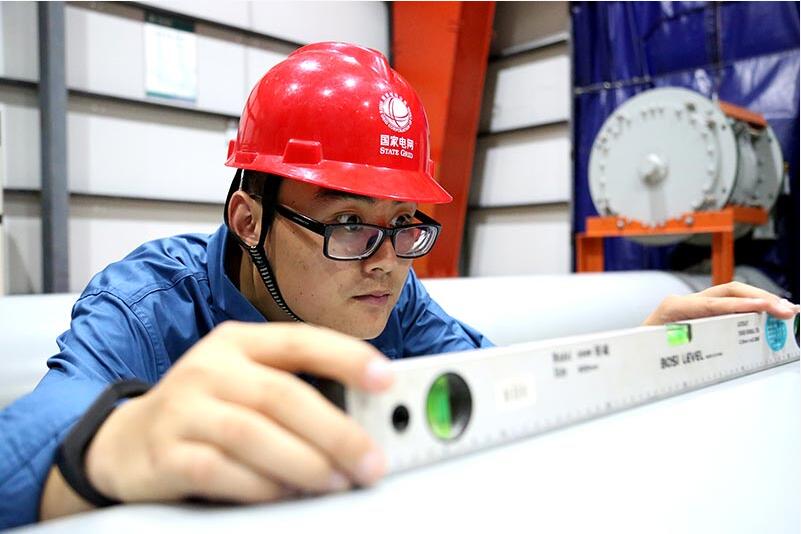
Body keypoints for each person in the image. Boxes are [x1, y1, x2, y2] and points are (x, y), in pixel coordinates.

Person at [0, 42, 796, 529]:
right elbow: (21, 448)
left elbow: (497, 383)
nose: (386, 260)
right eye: (349, 222)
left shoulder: (387, 292)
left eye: (405, 223)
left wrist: (646, 353)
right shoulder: (146, 307)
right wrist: (116, 443)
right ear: (248, 220)